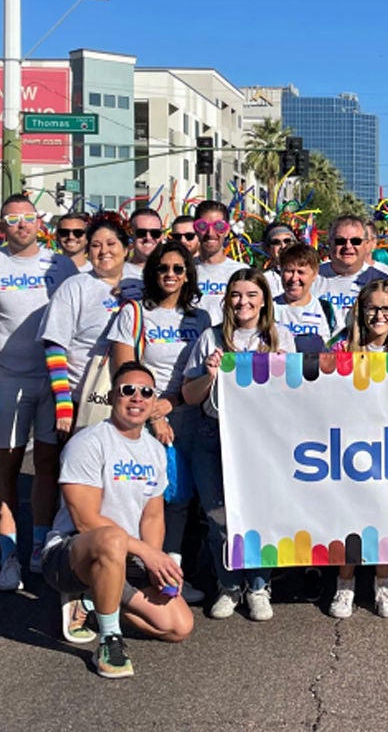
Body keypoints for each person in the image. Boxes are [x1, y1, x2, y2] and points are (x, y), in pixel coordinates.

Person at [39, 362, 194, 679]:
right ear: (112, 397)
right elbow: (84, 521)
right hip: (69, 555)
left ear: (153, 402)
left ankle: (97, 598)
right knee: (110, 537)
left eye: (145, 392)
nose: (137, 398)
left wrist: (155, 565)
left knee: (179, 625)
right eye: (128, 390)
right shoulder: (88, 443)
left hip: (123, 557)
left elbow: (152, 517)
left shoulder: (154, 450)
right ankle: (110, 640)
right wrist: (147, 553)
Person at [182, 269, 294, 621]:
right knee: (219, 516)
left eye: (251, 295)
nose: (242, 302)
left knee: (261, 515)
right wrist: (210, 375)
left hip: (263, 441)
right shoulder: (210, 338)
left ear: (264, 299)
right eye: (235, 295)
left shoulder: (280, 337)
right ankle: (229, 585)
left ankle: (259, 585)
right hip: (213, 435)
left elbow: (294, 397)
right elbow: (188, 395)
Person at [108, 241, 211, 605]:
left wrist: (172, 404)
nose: (170, 275)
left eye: (178, 269)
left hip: (188, 416)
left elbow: (203, 373)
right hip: (144, 420)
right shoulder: (135, 313)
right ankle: (129, 574)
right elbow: (124, 375)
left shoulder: (200, 319)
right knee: (142, 498)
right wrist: (154, 416)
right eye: (163, 268)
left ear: (188, 275)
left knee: (180, 502)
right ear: (152, 272)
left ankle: (171, 578)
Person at [328, 280, 388, 619]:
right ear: (360, 310)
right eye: (372, 308)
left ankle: (383, 583)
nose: (379, 315)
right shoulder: (340, 347)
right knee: (349, 515)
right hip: (349, 443)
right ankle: (345, 585)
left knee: (387, 513)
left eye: (387, 308)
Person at [0, 194, 78, 589]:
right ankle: (6, 553)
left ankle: (39, 545)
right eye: (12, 219)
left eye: (27, 218)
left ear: (38, 223)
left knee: (48, 464)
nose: (21, 225)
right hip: (7, 379)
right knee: (7, 470)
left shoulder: (60, 264)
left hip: (53, 380)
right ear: (3, 226)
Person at [40, 212, 143, 438]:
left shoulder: (142, 282)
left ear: (126, 249)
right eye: (95, 245)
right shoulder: (75, 286)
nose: (104, 251)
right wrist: (64, 403)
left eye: (110, 243)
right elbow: (54, 345)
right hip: (85, 398)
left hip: (134, 398)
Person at [317, 215, 388, 324]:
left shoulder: (382, 282)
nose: (348, 246)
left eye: (355, 241)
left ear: (366, 245)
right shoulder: (311, 277)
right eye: (340, 241)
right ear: (329, 243)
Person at [274, 243, 341, 353]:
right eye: (289, 271)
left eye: (301, 272)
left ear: (314, 274)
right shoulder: (267, 309)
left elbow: (337, 351)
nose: (294, 278)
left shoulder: (327, 310)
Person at [193, 200, 249, 325]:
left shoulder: (242, 272)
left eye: (218, 226)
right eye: (203, 226)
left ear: (227, 230)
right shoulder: (183, 271)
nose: (210, 233)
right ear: (195, 229)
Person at [261, 221, 297, 295]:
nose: (283, 246)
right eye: (276, 242)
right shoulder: (263, 281)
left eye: (287, 241)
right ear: (267, 248)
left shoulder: (311, 274)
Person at [126, 208, 164, 276]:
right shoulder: (117, 274)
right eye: (141, 232)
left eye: (155, 233)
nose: (148, 238)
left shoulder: (173, 273)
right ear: (131, 234)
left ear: (162, 236)